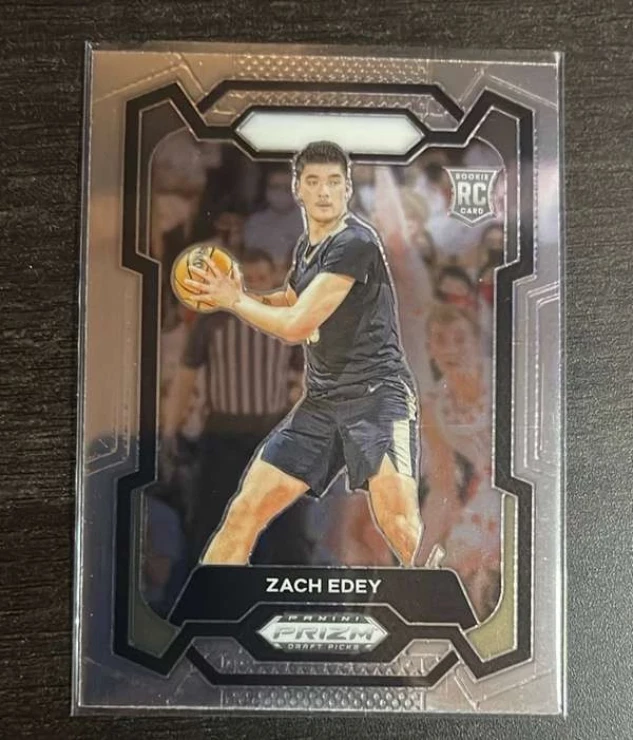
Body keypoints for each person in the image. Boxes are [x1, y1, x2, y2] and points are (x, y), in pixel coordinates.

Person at [185, 140, 423, 567]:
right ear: (298, 189)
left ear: (348, 189)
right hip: (322, 403)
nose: (324, 191)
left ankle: (438, 596)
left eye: (333, 181)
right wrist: (235, 295)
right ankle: (208, 601)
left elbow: (296, 325)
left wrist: (234, 302)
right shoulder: (307, 248)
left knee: (400, 526)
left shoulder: (356, 243)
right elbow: (291, 300)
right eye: (313, 181)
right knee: (244, 510)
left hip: (377, 397)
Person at [162, 249, 304, 564]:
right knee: (213, 522)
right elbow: (185, 378)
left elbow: (302, 378)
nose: (255, 285)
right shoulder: (212, 321)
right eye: (248, 279)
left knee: (286, 527)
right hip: (222, 436)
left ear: (273, 279)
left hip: (274, 437)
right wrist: (170, 430)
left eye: (261, 278)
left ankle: (288, 587)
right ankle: (207, 586)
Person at [416, 303, 501, 619]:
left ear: (477, 341)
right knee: (459, 558)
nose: (451, 349)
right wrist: (419, 557)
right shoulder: (433, 405)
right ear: (430, 349)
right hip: (484, 497)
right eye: (440, 340)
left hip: (526, 490)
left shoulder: (503, 378)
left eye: (460, 338)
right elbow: (444, 487)